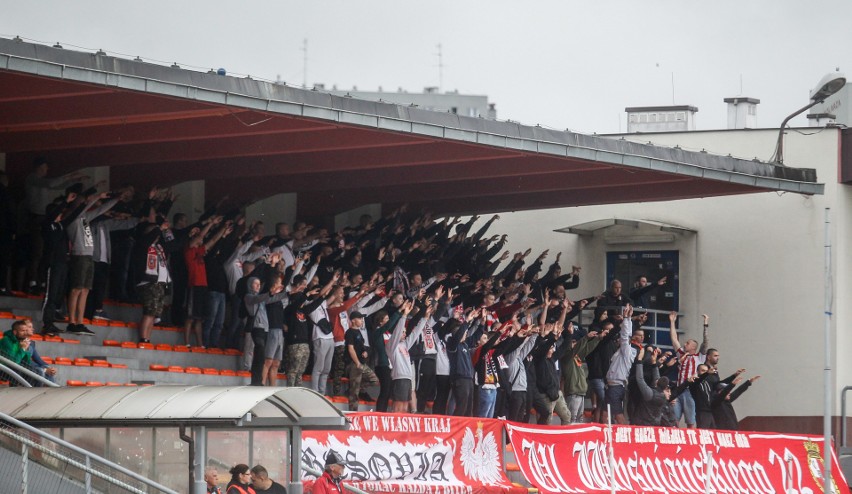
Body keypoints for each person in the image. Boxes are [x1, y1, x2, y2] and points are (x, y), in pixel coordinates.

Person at [668, 311, 710, 428]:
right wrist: (672, 322)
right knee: (674, 420)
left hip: (690, 391)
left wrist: (705, 324)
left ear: (693, 347)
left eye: (687, 343)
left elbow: (705, 343)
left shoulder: (699, 357)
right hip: (678, 389)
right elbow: (674, 338)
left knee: (690, 421)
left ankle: (690, 442)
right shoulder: (681, 354)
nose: (684, 344)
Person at [604, 305, 640, 425]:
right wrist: (628, 319)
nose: (618, 339)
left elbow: (625, 336)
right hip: (610, 386)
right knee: (605, 412)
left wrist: (626, 318)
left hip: (617, 386)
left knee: (617, 413)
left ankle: (625, 436)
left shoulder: (627, 352)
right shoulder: (621, 351)